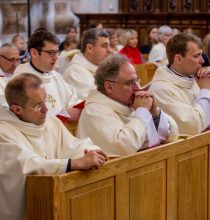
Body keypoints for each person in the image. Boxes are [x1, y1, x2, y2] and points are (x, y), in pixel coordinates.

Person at [0, 73, 107, 220]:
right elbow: (26, 165)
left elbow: (74, 146)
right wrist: (73, 163)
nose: (46, 109)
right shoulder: (3, 132)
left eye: (45, 101)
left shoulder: (51, 123)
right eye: (38, 106)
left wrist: (91, 151)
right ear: (17, 109)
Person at [77, 54, 179, 157]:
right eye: (130, 83)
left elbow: (172, 135)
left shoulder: (128, 103)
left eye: (136, 80)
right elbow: (124, 147)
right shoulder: (94, 112)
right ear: (109, 87)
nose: (138, 88)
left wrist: (155, 115)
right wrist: (142, 111)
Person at [149, 33, 210, 136]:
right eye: (196, 56)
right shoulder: (160, 89)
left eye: (201, 54)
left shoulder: (191, 78)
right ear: (179, 59)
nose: (202, 60)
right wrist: (205, 90)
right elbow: (193, 127)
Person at [14, 30, 81, 122]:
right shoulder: (20, 81)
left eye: (57, 52)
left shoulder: (56, 76)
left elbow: (73, 99)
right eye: (51, 53)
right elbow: (27, 118)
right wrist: (65, 114)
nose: (56, 57)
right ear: (34, 53)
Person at [63, 28, 111, 99]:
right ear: (90, 48)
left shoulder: (99, 68)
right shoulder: (75, 72)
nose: (109, 50)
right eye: (104, 46)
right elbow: (91, 101)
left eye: (109, 45)